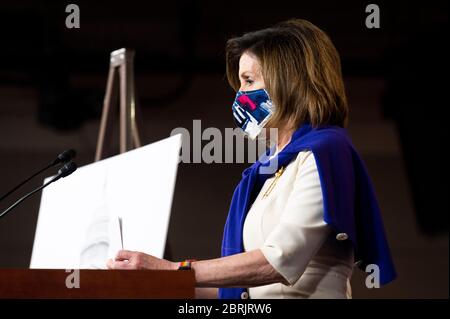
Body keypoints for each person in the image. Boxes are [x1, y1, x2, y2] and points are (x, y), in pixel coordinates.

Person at [107, 19, 396, 299]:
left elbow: (277, 260)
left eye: (248, 81)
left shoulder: (325, 151)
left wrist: (174, 270)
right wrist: (156, 283)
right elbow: (238, 291)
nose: (240, 95)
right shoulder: (272, 167)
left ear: (289, 82)